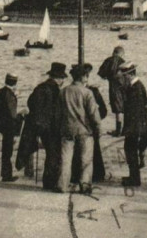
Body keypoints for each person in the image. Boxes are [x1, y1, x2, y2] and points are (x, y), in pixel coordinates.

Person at [57, 64, 102, 194]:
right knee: (86, 159)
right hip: (84, 131)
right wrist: (98, 129)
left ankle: (62, 185)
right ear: (83, 77)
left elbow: (58, 114)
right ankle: (85, 185)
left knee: (65, 158)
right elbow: (94, 114)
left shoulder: (63, 91)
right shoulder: (87, 93)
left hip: (67, 129)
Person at [22, 62, 66, 190]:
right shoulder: (55, 90)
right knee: (54, 154)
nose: (63, 81)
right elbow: (58, 109)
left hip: (40, 127)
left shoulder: (40, 87)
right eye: (62, 78)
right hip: (52, 127)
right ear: (59, 78)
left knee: (50, 152)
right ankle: (49, 182)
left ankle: (48, 181)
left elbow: (30, 103)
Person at [72, 66, 108, 184]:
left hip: (87, 128)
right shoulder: (74, 90)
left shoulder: (93, 92)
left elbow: (103, 111)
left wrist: (94, 121)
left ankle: (95, 175)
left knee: (92, 153)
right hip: (83, 129)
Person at [0, 73, 23, 182]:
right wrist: (21, 114)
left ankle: (6, 173)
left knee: (6, 150)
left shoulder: (1, 91)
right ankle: (7, 175)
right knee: (8, 151)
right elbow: (12, 113)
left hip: (2, 125)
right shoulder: (9, 94)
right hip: (9, 126)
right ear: (15, 82)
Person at [119, 62, 147, 187]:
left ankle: (134, 178)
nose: (123, 78)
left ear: (130, 75)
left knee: (130, 150)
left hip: (134, 127)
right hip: (135, 126)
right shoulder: (136, 86)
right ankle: (133, 176)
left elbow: (135, 111)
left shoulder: (136, 88)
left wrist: (130, 129)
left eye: (125, 76)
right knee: (130, 150)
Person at [98, 46, 126, 136]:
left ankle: (118, 131)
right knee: (122, 108)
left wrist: (108, 77)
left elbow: (101, 73)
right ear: (121, 53)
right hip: (123, 87)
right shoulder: (123, 62)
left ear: (113, 52)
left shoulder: (108, 60)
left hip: (113, 86)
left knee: (117, 108)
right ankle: (121, 129)